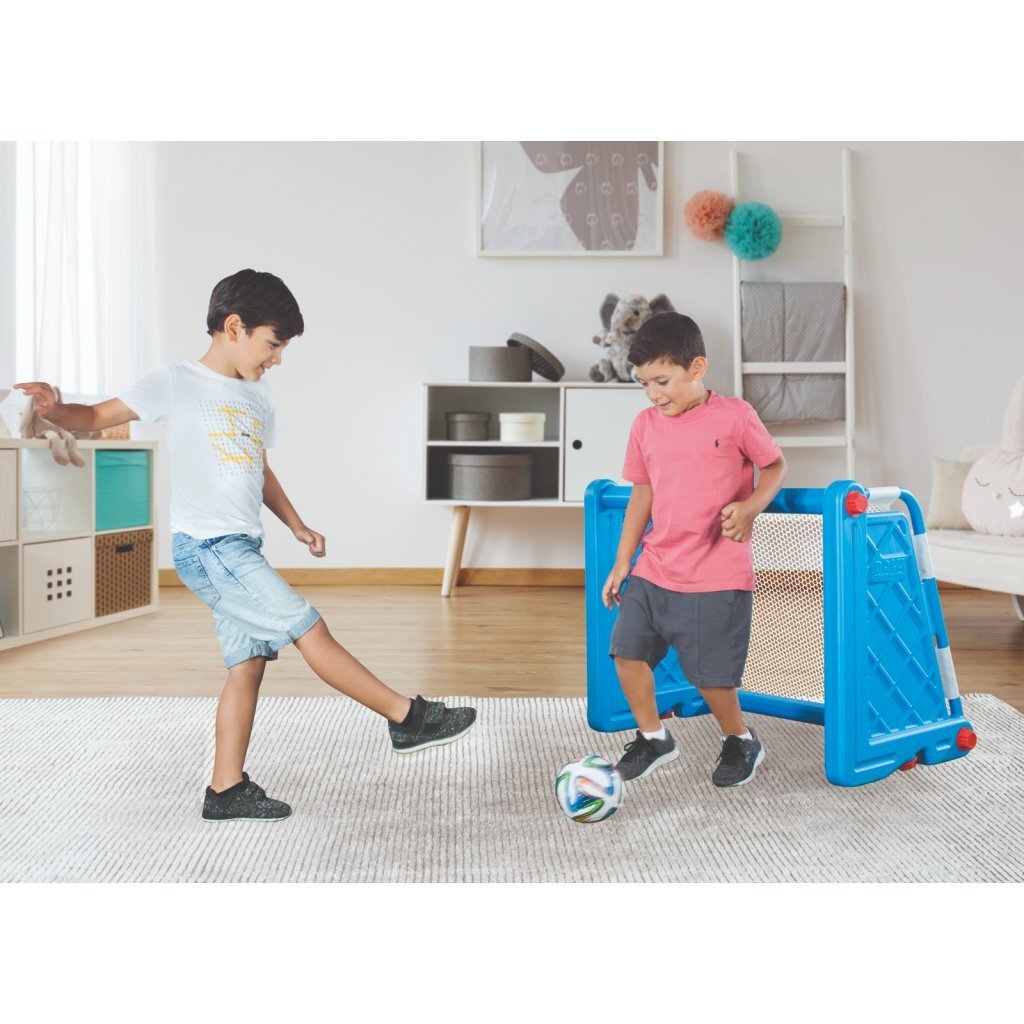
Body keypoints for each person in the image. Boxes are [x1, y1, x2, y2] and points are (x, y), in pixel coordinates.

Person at [16, 269, 476, 822]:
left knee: (247, 664)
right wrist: (54, 408)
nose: (276, 359)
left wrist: (296, 524)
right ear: (235, 328)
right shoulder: (176, 382)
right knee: (308, 627)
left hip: (241, 547)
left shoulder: (258, 395)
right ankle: (407, 718)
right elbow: (94, 417)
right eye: (273, 344)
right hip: (209, 549)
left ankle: (226, 789)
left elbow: (258, 469)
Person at [601, 311, 786, 788]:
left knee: (710, 677)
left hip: (715, 571)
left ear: (697, 367)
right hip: (655, 566)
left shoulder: (735, 416)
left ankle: (740, 738)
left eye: (662, 381)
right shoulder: (645, 425)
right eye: (644, 384)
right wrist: (623, 561)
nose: (653, 394)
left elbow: (775, 466)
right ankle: (654, 738)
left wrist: (751, 507)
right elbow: (642, 493)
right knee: (626, 652)